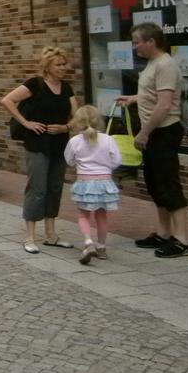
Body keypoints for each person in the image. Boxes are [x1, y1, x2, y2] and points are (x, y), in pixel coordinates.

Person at [117, 22, 188, 258]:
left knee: (168, 183)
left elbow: (165, 104)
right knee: (154, 182)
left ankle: (181, 240)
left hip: (164, 132)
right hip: (154, 132)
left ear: (151, 42)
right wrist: (133, 98)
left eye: (137, 42)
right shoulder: (152, 64)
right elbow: (153, 94)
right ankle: (163, 232)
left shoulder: (165, 65)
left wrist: (145, 132)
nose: (134, 46)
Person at [0, 47, 77, 254]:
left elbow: (77, 116)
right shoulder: (35, 84)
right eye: (59, 65)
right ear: (48, 66)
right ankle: (30, 237)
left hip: (59, 144)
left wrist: (65, 127)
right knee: (37, 188)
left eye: (64, 64)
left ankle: (51, 235)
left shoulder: (67, 88)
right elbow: (7, 100)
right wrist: (26, 123)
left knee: (54, 188)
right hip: (37, 144)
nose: (63, 68)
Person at [64, 105, 121, 265]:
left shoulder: (75, 141)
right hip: (104, 182)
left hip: (85, 182)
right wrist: (106, 167)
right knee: (102, 215)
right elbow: (117, 160)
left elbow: (69, 160)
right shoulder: (108, 139)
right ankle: (102, 247)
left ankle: (88, 242)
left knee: (83, 215)